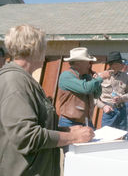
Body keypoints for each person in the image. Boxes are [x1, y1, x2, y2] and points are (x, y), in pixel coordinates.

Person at [0, 24, 95, 176]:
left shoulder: (24, 79)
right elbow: (26, 137)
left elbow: (36, 124)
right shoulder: (15, 81)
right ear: (34, 48)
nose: (46, 51)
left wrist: (65, 130)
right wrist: (72, 137)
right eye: (44, 46)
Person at [58, 47, 112, 128]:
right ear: (78, 63)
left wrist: (94, 79)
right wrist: (101, 78)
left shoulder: (85, 76)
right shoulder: (66, 76)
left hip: (87, 122)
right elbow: (85, 88)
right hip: (69, 123)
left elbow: (97, 95)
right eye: (88, 62)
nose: (90, 65)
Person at [97, 51, 128, 132]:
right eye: (120, 63)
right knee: (106, 136)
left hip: (122, 110)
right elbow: (93, 98)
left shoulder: (125, 76)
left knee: (121, 136)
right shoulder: (101, 76)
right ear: (113, 64)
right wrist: (103, 106)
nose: (122, 65)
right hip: (109, 111)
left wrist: (121, 98)